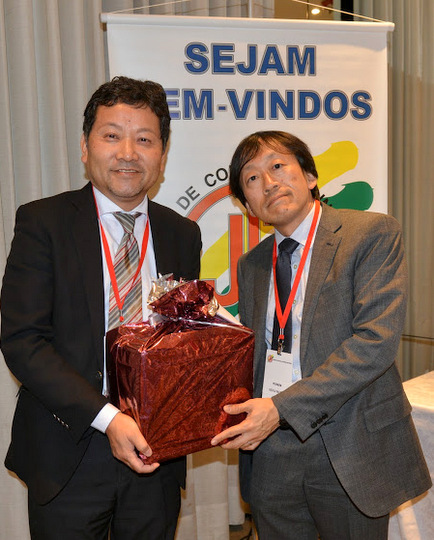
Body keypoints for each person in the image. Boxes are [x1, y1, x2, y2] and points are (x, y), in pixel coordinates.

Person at [1, 76, 202, 539]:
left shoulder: (182, 233)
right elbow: (23, 341)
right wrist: (108, 418)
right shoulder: (43, 222)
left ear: (162, 155)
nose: (128, 153)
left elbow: (182, 338)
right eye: (112, 135)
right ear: (85, 146)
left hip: (154, 451)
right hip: (69, 445)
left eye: (144, 139)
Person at [211, 131, 431, 539]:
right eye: (252, 178)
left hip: (349, 442)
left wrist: (282, 408)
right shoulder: (251, 264)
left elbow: (374, 343)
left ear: (310, 176)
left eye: (278, 166)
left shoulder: (371, 233)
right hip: (272, 448)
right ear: (248, 206)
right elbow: (253, 355)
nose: (269, 182)